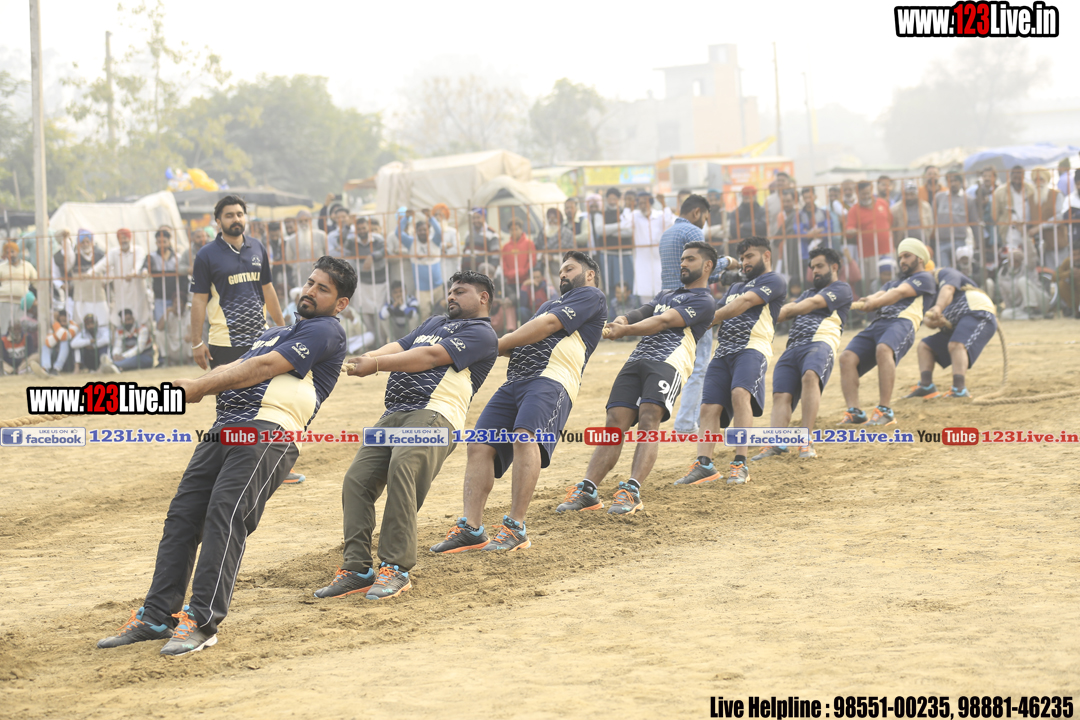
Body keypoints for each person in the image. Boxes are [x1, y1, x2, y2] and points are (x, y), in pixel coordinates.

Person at [97, 257, 354, 656]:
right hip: (224, 428)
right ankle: (157, 616)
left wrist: (199, 387)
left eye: (323, 289)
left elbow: (263, 367)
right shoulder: (275, 332)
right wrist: (196, 384)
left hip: (269, 431)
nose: (310, 291)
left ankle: (201, 622)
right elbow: (239, 364)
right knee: (182, 517)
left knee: (225, 515)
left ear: (340, 304)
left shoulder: (327, 330)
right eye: (310, 282)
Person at [314, 271, 498, 600]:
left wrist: (377, 365)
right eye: (450, 291)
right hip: (393, 414)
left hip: (435, 415)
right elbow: (400, 346)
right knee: (356, 481)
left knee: (403, 469)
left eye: (460, 291)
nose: (451, 296)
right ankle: (356, 569)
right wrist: (365, 358)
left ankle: (396, 568)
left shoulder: (482, 333)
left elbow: (430, 356)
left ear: (483, 298)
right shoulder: (433, 323)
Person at [431, 252, 606, 553]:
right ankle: (472, 528)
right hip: (515, 381)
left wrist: (491, 345)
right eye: (560, 271)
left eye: (569, 269)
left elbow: (547, 326)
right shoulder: (549, 304)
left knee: (525, 438)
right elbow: (525, 336)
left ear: (589, 274)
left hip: (551, 379)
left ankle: (516, 527)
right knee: (479, 444)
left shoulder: (591, 296)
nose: (562, 275)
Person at [562, 242, 718, 515]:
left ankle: (632, 490)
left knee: (649, 419)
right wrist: (622, 320)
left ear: (707, 266)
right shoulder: (666, 294)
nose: (683, 263)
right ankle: (588, 490)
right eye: (682, 258)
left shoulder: (704, 301)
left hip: (668, 362)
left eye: (690, 259)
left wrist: (625, 331)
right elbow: (644, 312)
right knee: (614, 422)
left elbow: (664, 321)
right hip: (637, 360)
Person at [674, 236, 787, 486]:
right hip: (723, 351)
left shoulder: (773, 280)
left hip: (752, 348)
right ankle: (704, 465)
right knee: (707, 408)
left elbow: (743, 304)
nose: (745, 262)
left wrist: (705, 319)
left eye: (750, 256)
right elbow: (713, 311)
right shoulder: (735, 287)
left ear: (766, 256)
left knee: (739, 394)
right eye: (743, 258)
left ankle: (740, 463)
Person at [752, 248, 851, 461]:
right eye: (812, 267)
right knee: (780, 395)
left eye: (819, 266)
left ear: (834, 267)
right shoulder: (807, 293)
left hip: (820, 343)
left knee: (810, 377)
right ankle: (777, 443)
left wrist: (773, 313)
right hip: (793, 347)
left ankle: (805, 440)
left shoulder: (841, 288)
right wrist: (756, 313)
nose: (814, 271)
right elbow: (786, 310)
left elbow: (807, 306)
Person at [837, 238, 937, 428]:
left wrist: (874, 303)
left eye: (907, 256)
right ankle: (854, 412)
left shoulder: (925, 278)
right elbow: (879, 295)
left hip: (903, 322)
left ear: (920, 258)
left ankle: (885, 411)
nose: (902, 261)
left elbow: (899, 293)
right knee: (847, 357)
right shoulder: (892, 283)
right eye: (900, 257)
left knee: (884, 349)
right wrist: (866, 301)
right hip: (879, 323)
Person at [659, 194, 734, 434]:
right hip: (693, 303)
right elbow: (703, 269)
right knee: (699, 364)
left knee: (670, 363)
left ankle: (690, 419)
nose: (704, 222)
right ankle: (685, 423)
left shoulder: (667, 234)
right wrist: (728, 262)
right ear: (697, 212)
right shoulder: (693, 232)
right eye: (705, 217)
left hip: (668, 303)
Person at [189, 196, 286, 370]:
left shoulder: (257, 247)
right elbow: (199, 300)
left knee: (263, 388)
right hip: (224, 343)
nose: (236, 219)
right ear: (218, 221)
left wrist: (282, 329)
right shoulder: (206, 254)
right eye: (229, 215)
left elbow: (268, 289)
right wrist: (196, 342)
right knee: (228, 389)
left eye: (240, 214)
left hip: (261, 340)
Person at [907, 263, 997, 400]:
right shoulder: (926, 293)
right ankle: (926, 386)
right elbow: (927, 319)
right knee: (925, 346)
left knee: (956, 344)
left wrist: (938, 307)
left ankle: (959, 389)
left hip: (977, 312)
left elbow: (948, 288)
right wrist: (933, 321)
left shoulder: (944, 273)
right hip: (955, 325)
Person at [93, 228, 150, 330]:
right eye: (121, 238)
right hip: (121, 291)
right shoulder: (114, 253)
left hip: (137, 291)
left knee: (140, 318)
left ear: (129, 238)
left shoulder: (138, 250)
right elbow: (103, 264)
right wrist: (90, 273)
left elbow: (139, 263)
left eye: (125, 238)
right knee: (121, 318)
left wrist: (133, 273)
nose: (123, 240)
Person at [846, 180, 893, 293]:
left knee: (891, 282)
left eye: (868, 193)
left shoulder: (882, 203)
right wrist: (851, 230)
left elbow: (890, 221)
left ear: (872, 190)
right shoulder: (854, 210)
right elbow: (849, 229)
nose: (866, 196)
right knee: (872, 285)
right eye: (863, 194)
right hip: (868, 254)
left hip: (887, 250)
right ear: (857, 193)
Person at [148, 226, 186, 367]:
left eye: (164, 241)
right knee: (161, 327)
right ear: (156, 243)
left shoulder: (177, 257)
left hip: (175, 298)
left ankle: (180, 356)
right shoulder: (152, 257)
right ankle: (163, 358)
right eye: (159, 242)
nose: (162, 245)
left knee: (177, 327)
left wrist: (181, 297)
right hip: (160, 298)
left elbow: (183, 279)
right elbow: (145, 268)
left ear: (169, 241)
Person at [593, 188, 634, 295]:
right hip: (607, 253)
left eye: (614, 198)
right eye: (610, 198)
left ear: (618, 199)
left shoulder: (625, 212)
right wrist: (621, 225)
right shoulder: (600, 213)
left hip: (625, 253)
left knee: (627, 283)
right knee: (609, 285)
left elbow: (630, 231)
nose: (612, 201)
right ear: (606, 199)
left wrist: (608, 231)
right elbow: (599, 230)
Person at [933, 172, 978, 268]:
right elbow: (933, 218)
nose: (953, 183)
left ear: (961, 182)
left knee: (962, 269)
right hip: (942, 241)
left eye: (955, 180)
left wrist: (978, 241)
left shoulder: (968, 200)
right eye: (950, 181)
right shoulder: (939, 197)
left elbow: (974, 222)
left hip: (960, 240)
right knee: (944, 270)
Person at [500, 217, 536, 298]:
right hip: (510, 281)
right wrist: (508, 274)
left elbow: (532, 260)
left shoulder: (529, 244)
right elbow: (503, 263)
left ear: (521, 229)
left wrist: (523, 271)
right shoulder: (506, 247)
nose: (514, 232)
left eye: (516, 229)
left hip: (525, 280)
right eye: (511, 230)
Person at [891, 181, 933, 245]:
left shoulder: (925, 206)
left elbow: (930, 224)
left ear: (916, 194)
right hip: (903, 243)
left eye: (912, 194)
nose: (909, 197)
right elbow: (893, 227)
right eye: (906, 194)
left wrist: (926, 234)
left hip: (922, 241)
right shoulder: (895, 209)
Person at [460, 208, 501, 273]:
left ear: (484, 217)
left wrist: (491, 271)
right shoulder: (468, 233)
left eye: (478, 217)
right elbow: (464, 252)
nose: (476, 220)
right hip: (468, 272)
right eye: (473, 218)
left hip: (484, 272)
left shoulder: (492, 233)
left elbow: (495, 255)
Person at [40, 308, 79, 375]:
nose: (62, 323)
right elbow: (48, 343)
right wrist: (58, 333)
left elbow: (64, 336)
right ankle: (46, 369)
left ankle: (57, 369)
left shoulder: (74, 325)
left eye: (64, 321)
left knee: (65, 342)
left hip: (69, 360)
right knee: (46, 347)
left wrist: (55, 322)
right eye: (60, 321)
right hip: (56, 355)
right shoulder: (56, 327)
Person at [431, 204, 460, 275]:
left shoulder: (453, 232)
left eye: (441, 214)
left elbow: (456, 250)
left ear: (445, 217)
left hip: (450, 267)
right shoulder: (430, 232)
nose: (438, 217)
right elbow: (430, 248)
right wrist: (446, 245)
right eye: (436, 215)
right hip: (434, 267)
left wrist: (442, 251)